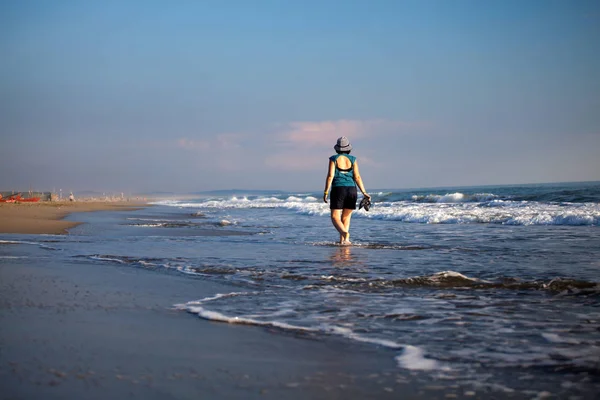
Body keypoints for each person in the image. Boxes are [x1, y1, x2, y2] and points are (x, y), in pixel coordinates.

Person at [323, 136, 370, 245]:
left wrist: (326, 192)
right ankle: (344, 241)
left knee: (335, 217)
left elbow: (330, 176)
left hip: (338, 189)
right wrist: (364, 192)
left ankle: (345, 233)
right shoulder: (353, 159)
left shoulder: (333, 159)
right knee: (346, 217)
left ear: (337, 148)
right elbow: (357, 177)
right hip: (352, 189)